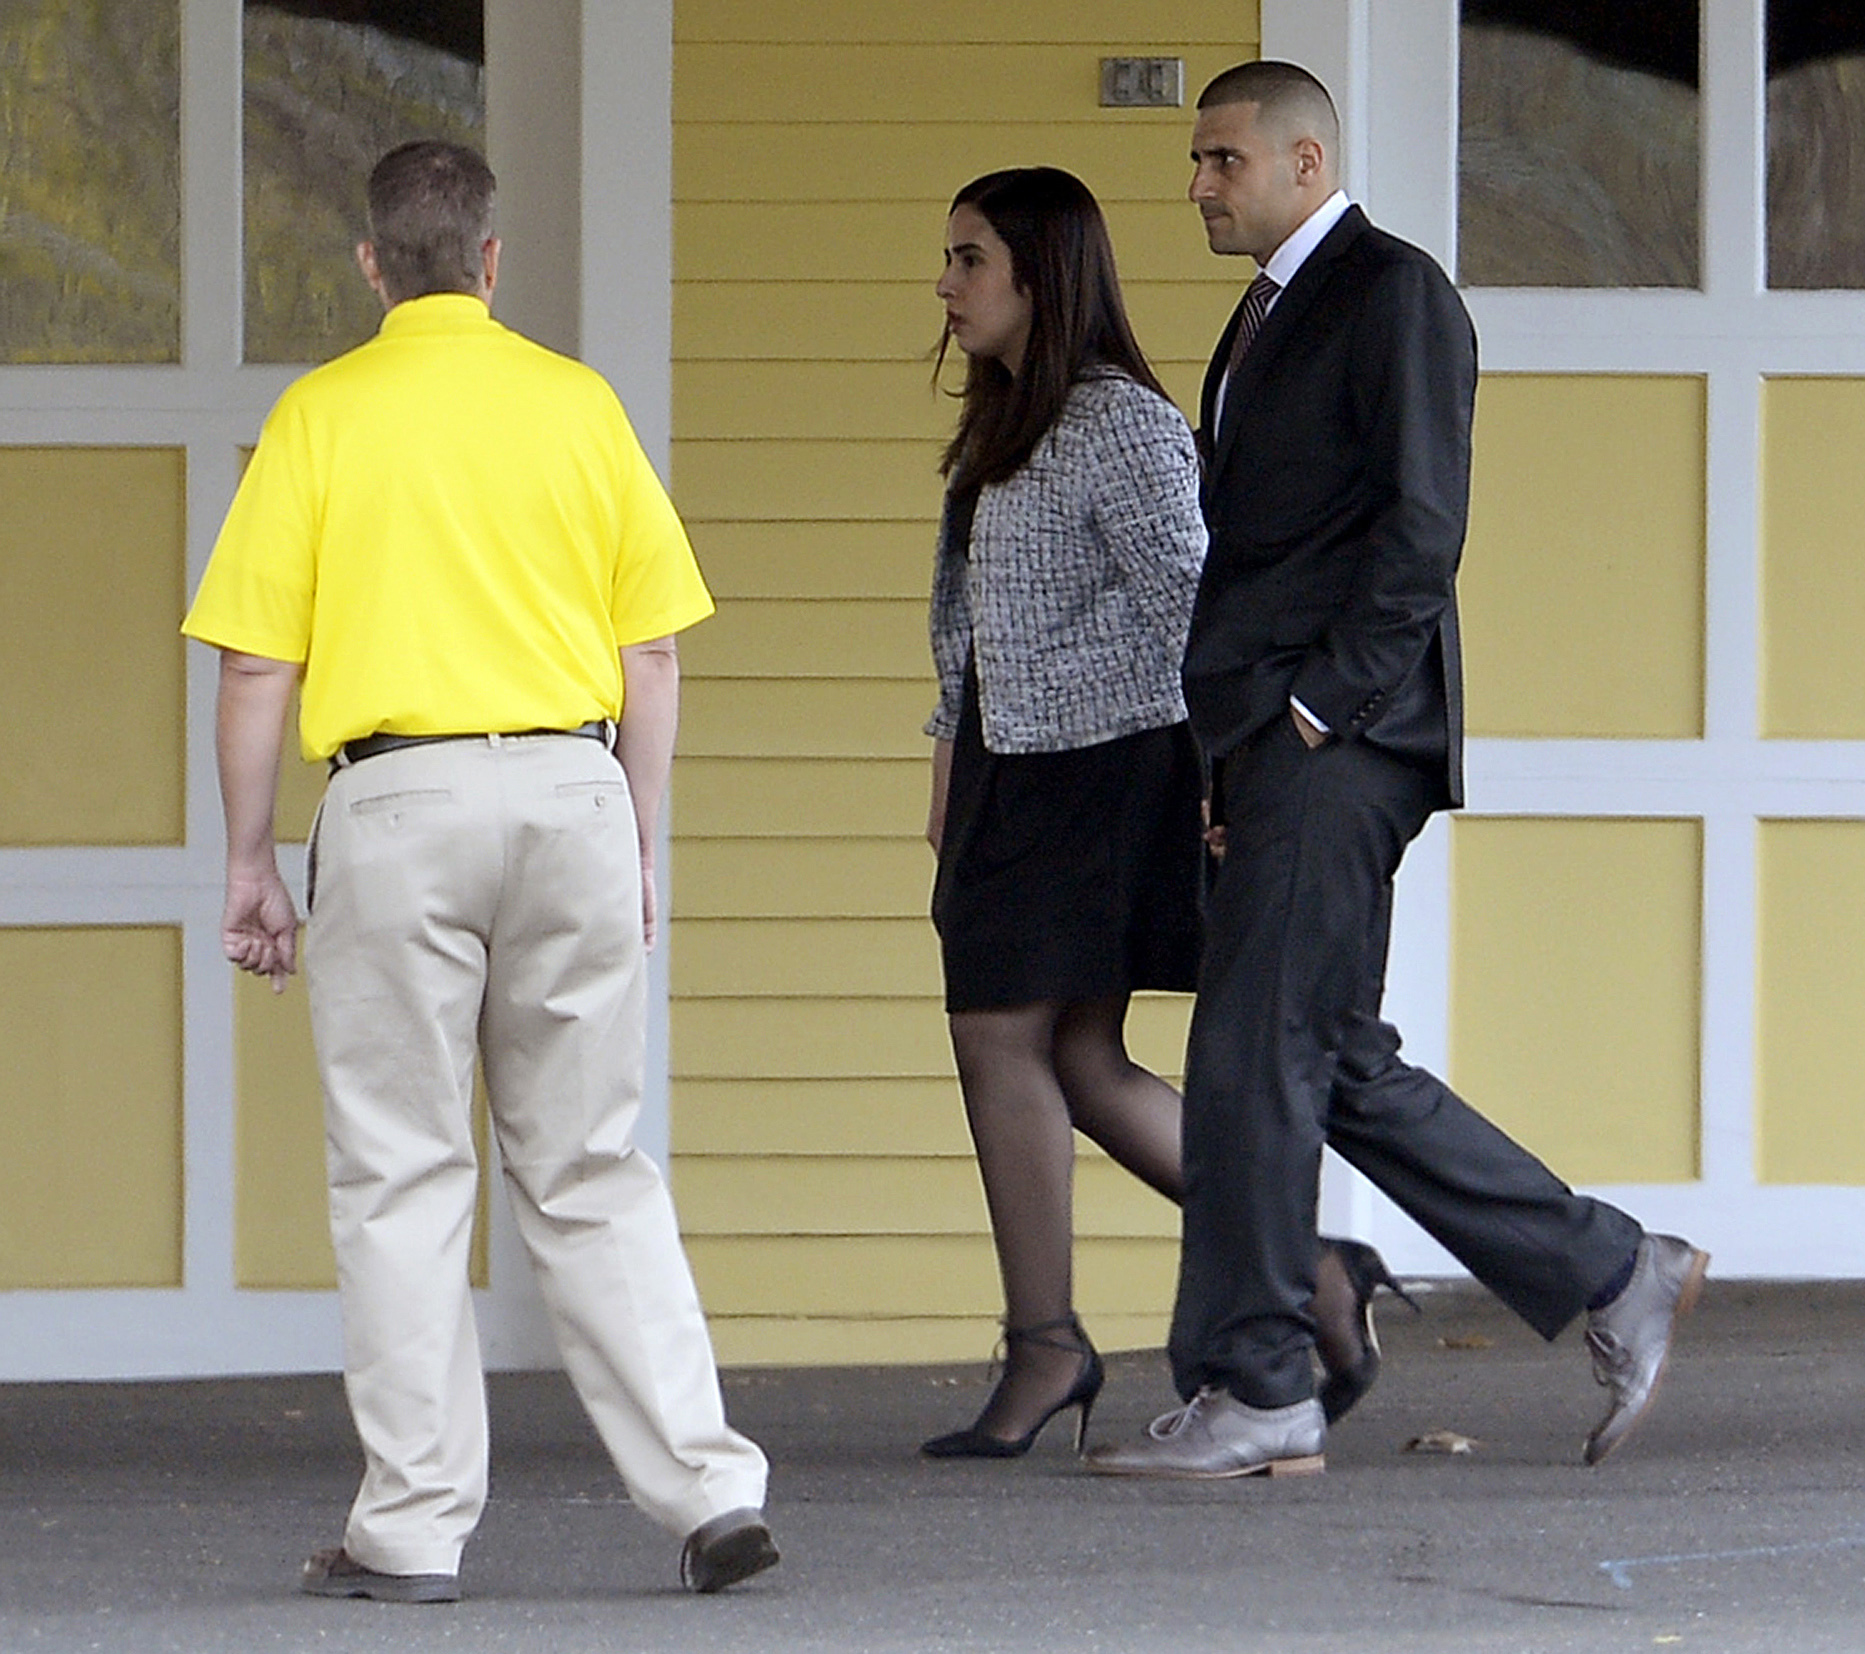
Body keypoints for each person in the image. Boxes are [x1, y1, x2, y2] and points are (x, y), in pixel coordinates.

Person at [1086, 62, 1707, 1480]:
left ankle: (1258, 1384)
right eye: (1196, 160)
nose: (1198, 184)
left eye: (1221, 159)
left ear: (1307, 161)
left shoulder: (1396, 294)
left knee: (1247, 1056)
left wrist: (1314, 713)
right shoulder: (1264, 315)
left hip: (1336, 738)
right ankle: (1616, 1268)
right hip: (1266, 741)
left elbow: (1424, 528)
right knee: (1323, 1053)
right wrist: (1234, 752)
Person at [182, 141, 778, 1598]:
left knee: (401, 1173)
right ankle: (706, 1492)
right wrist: (633, 836)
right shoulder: (579, 407)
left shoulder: (322, 414)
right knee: (590, 1163)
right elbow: (651, 650)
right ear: (495, 260)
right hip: (573, 784)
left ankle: (415, 1525)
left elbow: (259, 661)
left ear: (376, 265)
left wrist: (251, 859)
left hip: (397, 797)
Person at [918, 167, 1408, 1461]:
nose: (947, 285)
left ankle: (1049, 1342)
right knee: (1073, 1058)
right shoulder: (1009, 417)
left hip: (1104, 771)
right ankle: (1309, 1271)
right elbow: (972, 623)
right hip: (1006, 766)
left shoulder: (1118, 423)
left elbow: (1202, 606)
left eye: (971, 260)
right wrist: (945, 760)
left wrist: (1221, 780)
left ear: (1041, 272)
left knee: (997, 1035)